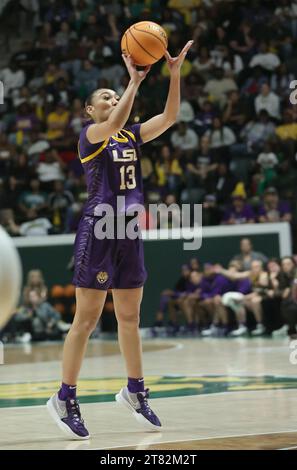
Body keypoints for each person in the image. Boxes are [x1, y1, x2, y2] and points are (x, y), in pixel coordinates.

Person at [46, 41, 194, 439]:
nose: (113, 99)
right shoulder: (92, 135)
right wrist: (133, 82)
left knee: (130, 317)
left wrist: (174, 75)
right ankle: (65, 397)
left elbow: (171, 116)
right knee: (88, 319)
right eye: (105, 97)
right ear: (90, 110)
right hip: (98, 230)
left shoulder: (130, 135)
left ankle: (135, 390)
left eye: (116, 95)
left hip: (129, 231)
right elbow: (113, 124)